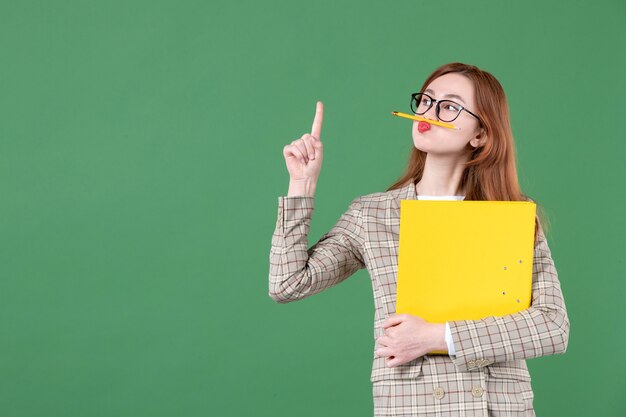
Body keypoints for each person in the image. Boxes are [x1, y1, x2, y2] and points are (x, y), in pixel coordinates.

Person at [268, 62, 569, 417]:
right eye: (425, 100)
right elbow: (287, 283)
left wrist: (437, 337)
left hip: (496, 407)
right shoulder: (373, 215)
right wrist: (302, 185)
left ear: (481, 134)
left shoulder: (512, 216)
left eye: (449, 105)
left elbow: (553, 326)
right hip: (412, 406)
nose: (429, 111)